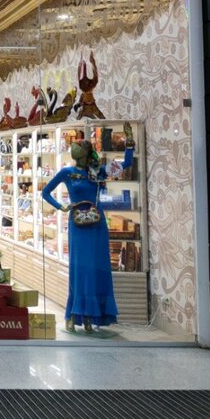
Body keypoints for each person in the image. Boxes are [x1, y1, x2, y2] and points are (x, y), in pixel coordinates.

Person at [41, 122, 135, 333]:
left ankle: (92, 315)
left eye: (79, 147)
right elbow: (45, 192)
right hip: (77, 224)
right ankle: (75, 313)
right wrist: (61, 206)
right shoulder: (66, 173)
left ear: (85, 152)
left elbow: (127, 163)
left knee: (97, 267)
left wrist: (130, 142)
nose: (74, 149)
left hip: (96, 224)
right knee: (79, 269)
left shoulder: (98, 172)